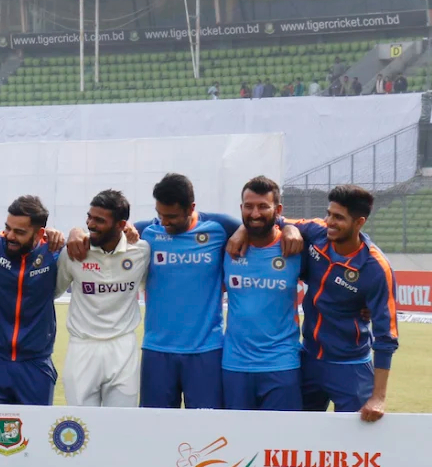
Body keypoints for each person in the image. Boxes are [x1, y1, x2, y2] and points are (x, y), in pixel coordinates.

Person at [67, 172, 301, 409]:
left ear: (191, 208)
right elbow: (103, 232)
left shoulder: (219, 228)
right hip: (157, 350)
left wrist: (288, 227)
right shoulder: (145, 233)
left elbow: (257, 223)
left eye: (172, 217)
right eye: (160, 214)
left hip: (206, 351)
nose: (164, 222)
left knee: (205, 431)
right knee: (156, 428)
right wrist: (76, 232)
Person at [231, 185, 398, 420]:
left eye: (339, 218)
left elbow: (387, 336)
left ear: (359, 222)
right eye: (329, 213)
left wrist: (379, 396)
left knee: (355, 441)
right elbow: (269, 218)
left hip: (350, 366)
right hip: (309, 359)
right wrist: (251, 229)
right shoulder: (318, 232)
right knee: (299, 438)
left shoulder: (376, 268)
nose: (330, 221)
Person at [54, 190, 150, 407]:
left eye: (99, 220)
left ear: (120, 224)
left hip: (123, 347)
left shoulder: (141, 251)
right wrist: (73, 232)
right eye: (89, 217)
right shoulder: (74, 252)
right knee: (82, 428)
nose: (91, 224)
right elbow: (53, 291)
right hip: (83, 347)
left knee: (120, 425)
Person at [221, 177, 302, 411]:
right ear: (241, 209)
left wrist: (361, 305)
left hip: (282, 365)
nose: (255, 213)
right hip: (235, 365)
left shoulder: (295, 248)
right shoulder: (227, 248)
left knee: (280, 442)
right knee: (237, 441)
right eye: (249, 206)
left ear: (278, 210)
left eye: (263, 206)